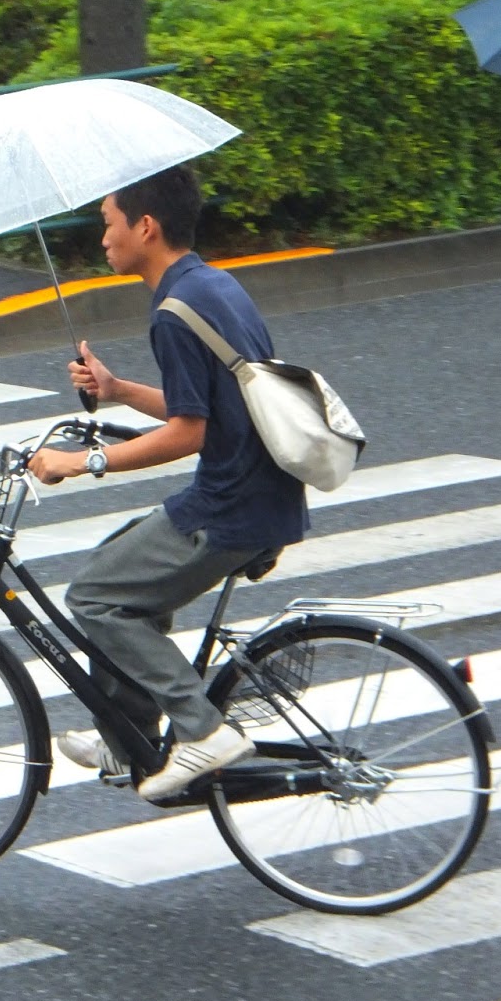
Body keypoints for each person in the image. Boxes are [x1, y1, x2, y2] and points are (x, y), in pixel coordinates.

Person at [26, 165, 309, 801]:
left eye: (108, 225)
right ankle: (129, 731)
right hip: (261, 494)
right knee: (117, 566)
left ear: (145, 227)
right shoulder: (210, 285)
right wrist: (119, 390)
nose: (103, 239)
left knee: (95, 595)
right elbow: (209, 404)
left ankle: (202, 729)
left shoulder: (173, 314)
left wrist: (83, 463)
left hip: (230, 507)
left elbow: (192, 432)